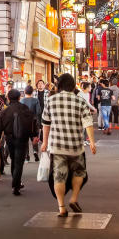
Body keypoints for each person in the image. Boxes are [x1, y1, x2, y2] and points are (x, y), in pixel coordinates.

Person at [40, 74, 96, 218]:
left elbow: (45, 124)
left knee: (59, 176)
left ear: (59, 85)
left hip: (57, 146)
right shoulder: (80, 101)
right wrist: (92, 142)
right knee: (79, 173)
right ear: (73, 86)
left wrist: (45, 142)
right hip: (76, 147)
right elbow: (88, 123)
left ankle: (61, 207)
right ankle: (74, 198)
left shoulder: (50, 101)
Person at [0, 89, 37, 195]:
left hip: (10, 138)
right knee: (19, 161)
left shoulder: (5, 111)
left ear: (8, 98)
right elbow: (31, 123)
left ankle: (16, 183)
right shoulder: (25, 109)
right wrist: (34, 136)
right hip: (22, 138)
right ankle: (16, 184)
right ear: (19, 98)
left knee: (14, 159)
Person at [21, 86, 41, 162]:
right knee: (34, 138)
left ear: (24, 92)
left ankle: (26, 156)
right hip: (34, 122)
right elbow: (39, 111)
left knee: (25, 139)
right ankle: (35, 152)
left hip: (24, 123)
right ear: (32, 92)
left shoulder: (22, 101)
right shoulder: (36, 100)